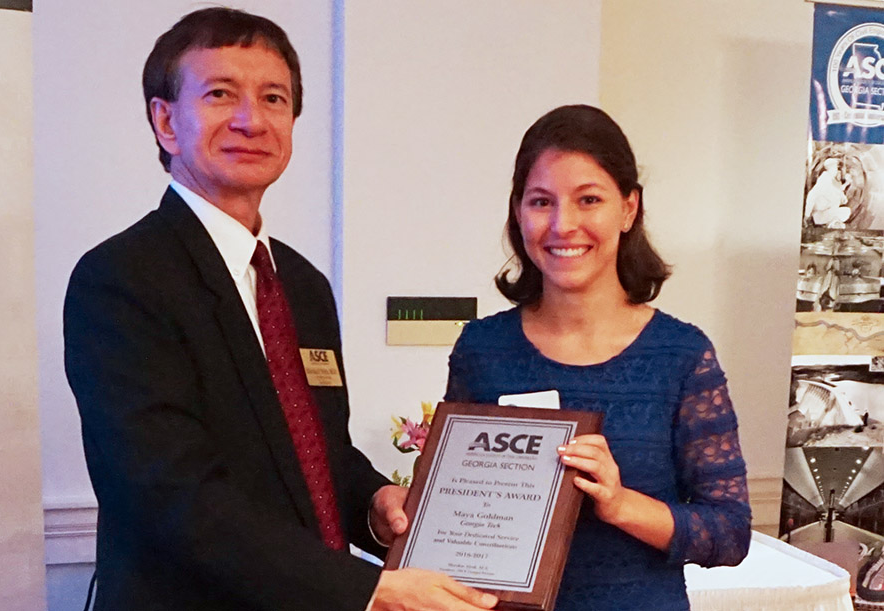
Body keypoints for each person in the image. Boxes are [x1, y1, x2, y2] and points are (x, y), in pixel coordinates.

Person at [63, 8, 498, 611]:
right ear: (165, 120)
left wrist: (374, 506)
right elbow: (172, 495)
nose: (251, 119)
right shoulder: (122, 279)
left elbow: (315, 455)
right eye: (220, 94)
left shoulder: (301, 283)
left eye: (274, 98)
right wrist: (367, 590)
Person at [444, 105, 751, 610]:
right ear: (517, 212)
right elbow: (458, 508)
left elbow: (730, 533)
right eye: (541, 201)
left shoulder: (681, 354)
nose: (564, 225)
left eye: (589, 199)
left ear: (629, 208)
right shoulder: (481, 349)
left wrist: (619, 503)